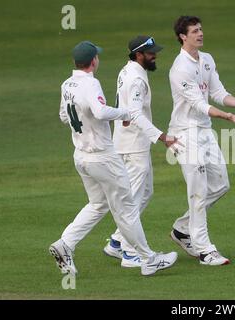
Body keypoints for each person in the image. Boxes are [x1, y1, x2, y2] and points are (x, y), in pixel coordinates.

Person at [49, 40, 177, 276]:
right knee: (127, 207)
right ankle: (147, 258)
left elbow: (64, 116)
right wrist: (125, 113)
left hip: (81, 156)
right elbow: (100, 112)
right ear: (93, 61)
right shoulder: (91, 83)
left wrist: (85, 121)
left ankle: (65, 244)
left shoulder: (67, 84)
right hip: (103, 158)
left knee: (98, 204)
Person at [168, 16, 235, 266]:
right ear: (183, 36)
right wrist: (227, 116)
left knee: (221, 184)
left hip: (204, 130)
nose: (200, 34)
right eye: (194, 31)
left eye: (201, 29)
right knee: (198, 191)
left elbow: (217, 92)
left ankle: (182, 229)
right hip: (184, 133)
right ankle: (204, 249)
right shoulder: (180, 68)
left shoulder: (207, 60)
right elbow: (199, 104)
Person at [103, 35, 179, 268]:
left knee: (145, 193)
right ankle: (130, 254)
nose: (155, 55)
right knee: (133, 199)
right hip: (133, 146)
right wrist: (161, 136)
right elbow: (135, 114)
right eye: (150, 53)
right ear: (138, 55)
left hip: (129, 143)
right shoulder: (136, 79)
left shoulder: (127, 70)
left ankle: (116, 242)